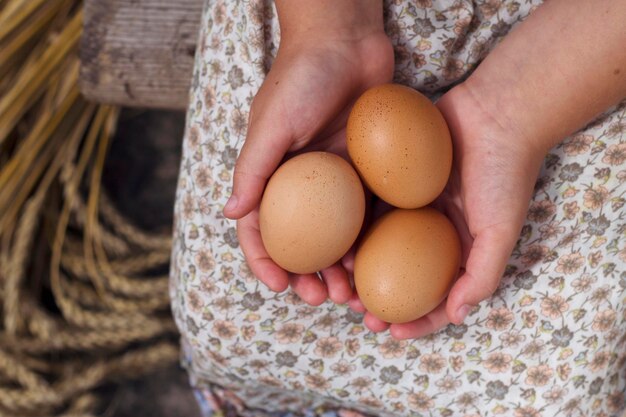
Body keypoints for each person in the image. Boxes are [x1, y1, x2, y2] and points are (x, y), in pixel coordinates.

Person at [170, 0, 626, 416]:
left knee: (550, 392)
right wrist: (329, 35)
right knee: (224, 319)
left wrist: (511, 116)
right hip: (327, 20)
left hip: (576, 62)